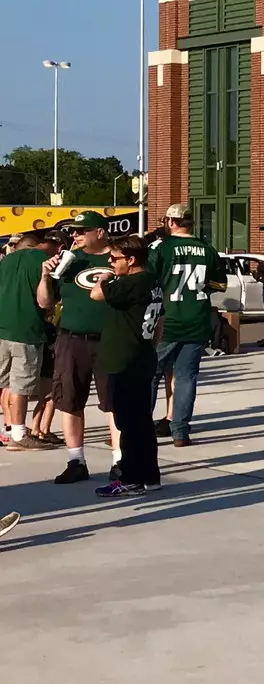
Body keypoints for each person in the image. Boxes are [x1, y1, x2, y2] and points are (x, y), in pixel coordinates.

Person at [40, 211, 118, 484]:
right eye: (73, 231)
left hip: (111, 339)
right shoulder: (69, 261)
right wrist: (46, 276)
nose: (75, 235)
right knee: (70, 400)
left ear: (100, 232)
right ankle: (76, 460)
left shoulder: (117, 259)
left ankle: (119, 460)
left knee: (114, 403)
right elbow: (45, 302)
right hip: (72, 339)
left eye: (81, 231)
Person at [87, 239, 164, 500]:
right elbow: (160, 321)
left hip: (124, 361)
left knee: (128, 424)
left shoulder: (131, 283)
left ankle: (130, 478)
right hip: (142, 356)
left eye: (115, 259)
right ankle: (150, 476)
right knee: (142, 422)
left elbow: (95, 295)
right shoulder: (152, 281)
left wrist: (104, 278)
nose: (110, 262)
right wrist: (150, 346)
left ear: (131, 260)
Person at [148, 203, 224, 448]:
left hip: (167, 319)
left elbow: (148, 277)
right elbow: (220, 284)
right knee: (186, 377)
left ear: (170, 222)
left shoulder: (162, 247)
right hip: (197, 318)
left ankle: (141, 426)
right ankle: (180, 431)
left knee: (151, 374)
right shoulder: (207, 248)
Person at [0, 229, 58, 450]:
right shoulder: (44, 262)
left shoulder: (5, 261)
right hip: (27, 331)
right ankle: (19, 434)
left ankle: (10, 430)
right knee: (20, 386)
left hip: (2, 328)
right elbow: (46, 303)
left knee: (4, 383)